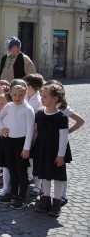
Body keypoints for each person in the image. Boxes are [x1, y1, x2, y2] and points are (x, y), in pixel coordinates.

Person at [44, 79, 85, 207]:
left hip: (61, 144)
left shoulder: (62, 107)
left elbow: (80, 121)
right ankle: (46, 195)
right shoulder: (45, 107)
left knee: (60, 172)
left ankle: (62, 195)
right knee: (47, 170)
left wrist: (68, 132)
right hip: (48, 143)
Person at [0, 79, 35, 209]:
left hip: (22, 143)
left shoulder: (28, 109)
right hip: (9, 142)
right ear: (10, 94)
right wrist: (2, 128)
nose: (17, 98)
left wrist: (26, 148)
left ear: (25, 94)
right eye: (14, 95)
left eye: (20, 95)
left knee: (21, 171)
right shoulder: (8, 106)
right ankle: (13, 194)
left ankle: (22, 197)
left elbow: (30, 130)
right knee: (12, 169)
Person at [34, 84, 69, 217]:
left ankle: (56, 203)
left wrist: (61, 155)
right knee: (45, 176)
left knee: (58, 177)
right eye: (41, 96)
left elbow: (63, 138)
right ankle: (45, 200)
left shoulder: (61, 117)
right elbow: (35, 132)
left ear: (55, 99)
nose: (42, 99)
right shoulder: (39, 114)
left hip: (56, 152)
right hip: (42, 150)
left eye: (45, 96)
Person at [23, 73, 45, 193]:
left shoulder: (38, 100)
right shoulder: (27, 97)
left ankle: (39, 184)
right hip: (27, 131)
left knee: (37, 158)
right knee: (30, 156)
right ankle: (30, 175)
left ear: (31, 86)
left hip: (35, 132)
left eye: (26, 84)